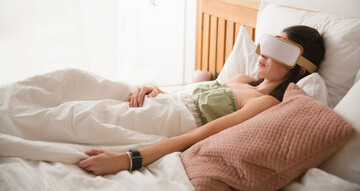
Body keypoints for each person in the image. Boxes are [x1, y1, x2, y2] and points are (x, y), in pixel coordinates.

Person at [78, 25, 325, 175]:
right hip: (160, 104)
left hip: (168, 121)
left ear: (300, 70)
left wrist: (127, 160)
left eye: (280, 50)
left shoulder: (265, 104)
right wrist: (155, 90)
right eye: (270, 44)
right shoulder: (239, 78)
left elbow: (197, 135)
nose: (264, 53)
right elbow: (191, 96)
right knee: (79, 83)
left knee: (77, 117)